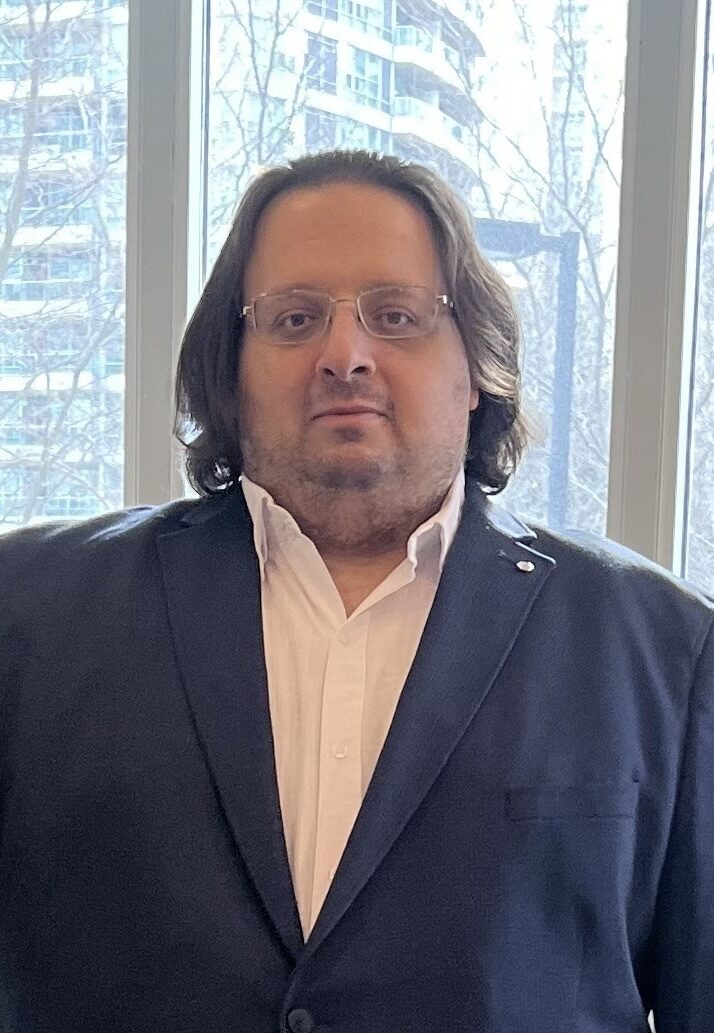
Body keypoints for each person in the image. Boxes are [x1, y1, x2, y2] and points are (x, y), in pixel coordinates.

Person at [0, 148, 711, 1033]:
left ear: (476, 365)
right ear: (231, 368)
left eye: (398, 315)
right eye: (294, 319)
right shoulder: (29, 613)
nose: (345, 355)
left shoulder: (664, 650)